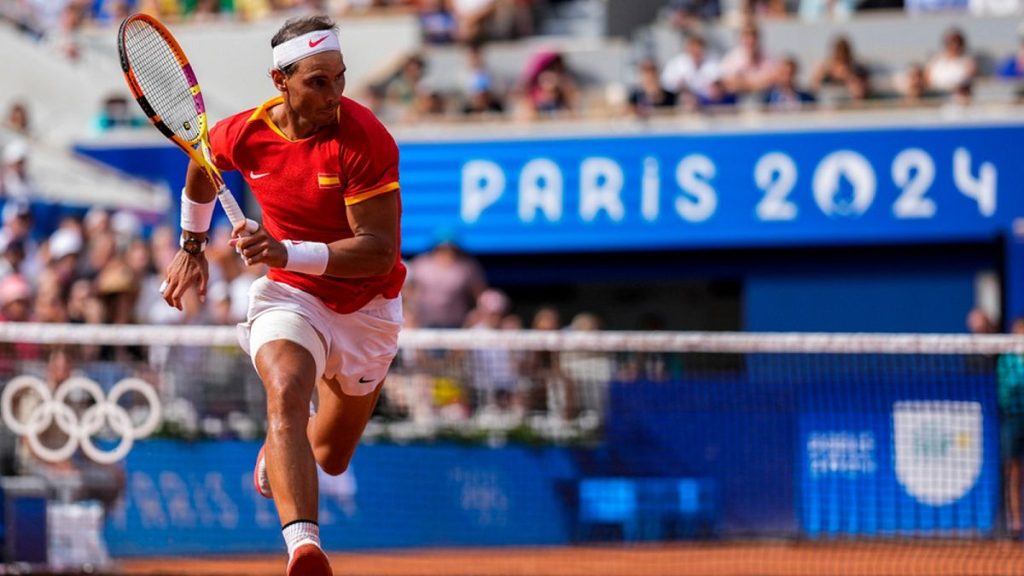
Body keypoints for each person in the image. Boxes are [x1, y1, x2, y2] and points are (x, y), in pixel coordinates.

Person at [158, 15, 405, 576]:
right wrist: (191, 245)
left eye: (340, 78)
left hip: (366, 306)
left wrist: (285, 250)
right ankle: (304, 548)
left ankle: (281, 448)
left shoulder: (364, 137)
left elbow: (378, 252)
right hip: (291, 297)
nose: (334, 94)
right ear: (281, 81)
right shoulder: (241, 133)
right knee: (286, 391)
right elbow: (202, 168)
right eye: (318, 82)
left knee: (332, 457)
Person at [999, 317, 1024, 538]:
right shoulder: (1006, 360)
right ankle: (1015, 523)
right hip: (1013, 420)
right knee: (1013, 471)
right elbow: (1006, 390)